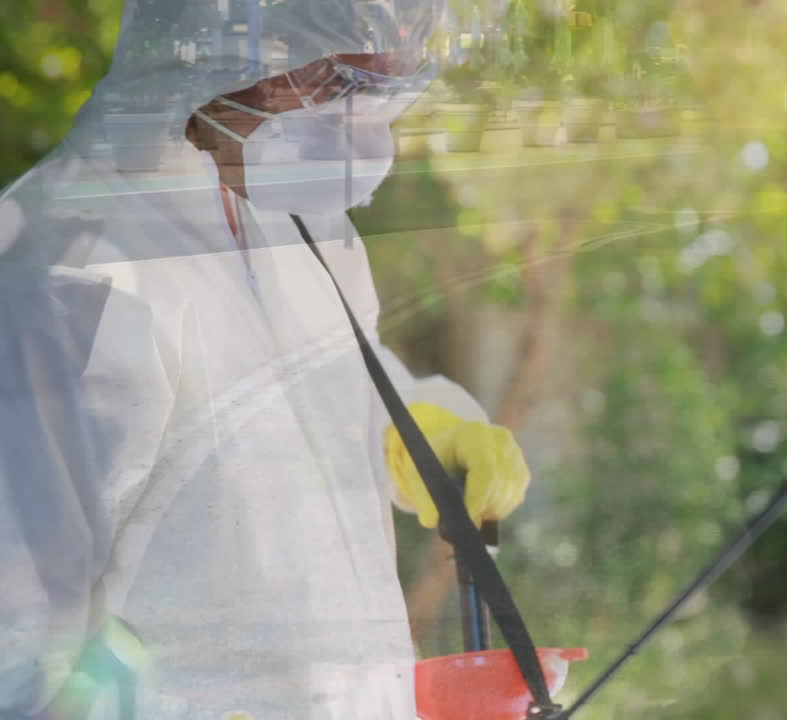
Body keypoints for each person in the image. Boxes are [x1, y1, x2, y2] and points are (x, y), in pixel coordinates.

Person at [0, 1, 526, 718]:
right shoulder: (75, 273)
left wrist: (421, 425)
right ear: (220, 47)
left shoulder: (290, 217)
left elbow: (319, 383)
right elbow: (19, 648)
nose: (366, 128)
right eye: (343, 86)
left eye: (391, 90)